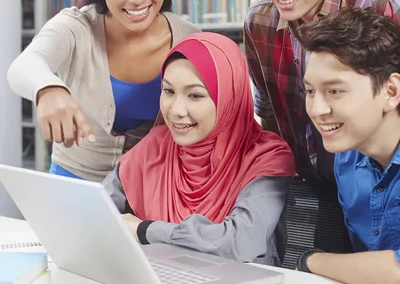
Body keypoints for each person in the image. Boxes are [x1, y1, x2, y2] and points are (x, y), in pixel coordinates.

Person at [7, 0, 198, 182]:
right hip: (75, 187)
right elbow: (24, 66)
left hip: (157, 192)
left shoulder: (191, 39)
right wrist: (48, 89)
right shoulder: (76, 27)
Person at [244, 0, 400, 184]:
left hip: (379, 186)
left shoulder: (382, 5)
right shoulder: (259, 21)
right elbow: (269, 115)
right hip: (305, 183)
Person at [104, 32, 295, 265]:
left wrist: (146, 230)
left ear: (229, 96)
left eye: (195, 95)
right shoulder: (155, 146)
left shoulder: (267, 155)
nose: (176, 110)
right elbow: (98, 210)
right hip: (161, 281)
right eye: (169, 91)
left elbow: (240, 243)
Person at [296, 8, 400, 284]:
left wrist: (311, 260)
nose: (317, 111)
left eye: (335, 91)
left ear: (391, 92)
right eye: (311, 91)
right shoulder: (346, 158)